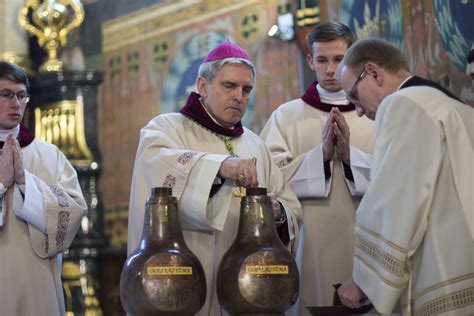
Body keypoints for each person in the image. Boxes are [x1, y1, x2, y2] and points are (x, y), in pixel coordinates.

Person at [128, 41, 302, 316]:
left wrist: (277, 212)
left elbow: (292, 207)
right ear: (203, 86)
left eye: (246, 89)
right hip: (184, 281)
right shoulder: (166, 129)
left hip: (247, 288)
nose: (239, 96)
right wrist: (221, 167)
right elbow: (156, 169)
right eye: (229, 86)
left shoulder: (256, 145)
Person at [337, 38, 474, 315]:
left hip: (441, 272)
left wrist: (364, 279)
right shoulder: (455, 107)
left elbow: (397, 198)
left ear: (373, 73)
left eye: (353, 96)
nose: (359, 111)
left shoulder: (403, 104)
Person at [260, 21, 375, 313]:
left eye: (339, 59)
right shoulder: (285, 117)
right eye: (322, 60)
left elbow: (398, 177)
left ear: (354, 58)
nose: (331, 69)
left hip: (368, 242)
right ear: (310, 60)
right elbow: (269, 180)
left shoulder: (377, 112)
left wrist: (350, 157)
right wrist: (320, 157)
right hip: (310, 245)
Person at [0, 61, 87, 314]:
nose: (16, 103)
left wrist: (26, 182)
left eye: (21, 95)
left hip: (37, 280)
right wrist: (2, 185)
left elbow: (73, 211)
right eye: (6, 94)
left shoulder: (49, 155)